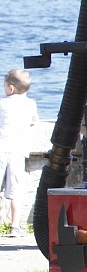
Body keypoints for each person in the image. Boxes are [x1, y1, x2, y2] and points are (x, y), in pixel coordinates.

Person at [0, 69, 40, 237]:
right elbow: (34, 122)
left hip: (2, 148)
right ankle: (15, 226)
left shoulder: (2, 103)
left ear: (11, 88)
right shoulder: (31, 104)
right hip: (18, 151)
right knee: (16, 190)